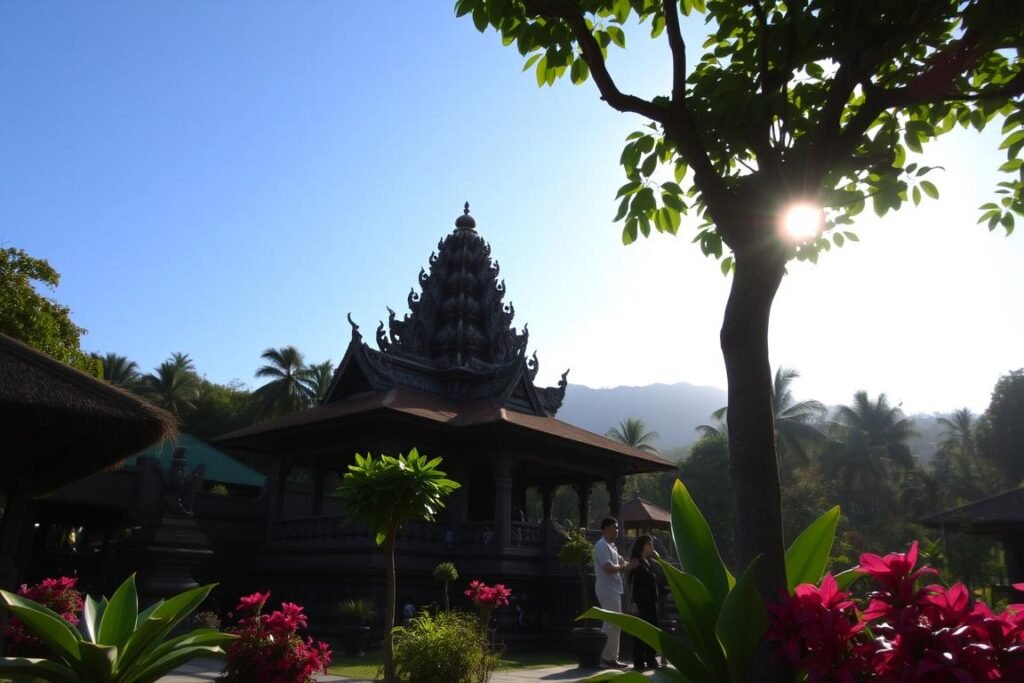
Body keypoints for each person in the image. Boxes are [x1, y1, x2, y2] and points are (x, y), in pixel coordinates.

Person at [593, 517, 636, 668]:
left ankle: (612, 658)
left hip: (614, 588)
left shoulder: (612, 546)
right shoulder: (601, 545)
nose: (616, 530)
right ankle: (604, 657)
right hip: (606, 587)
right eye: (613, 527)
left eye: (617, 528)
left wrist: (630, 564)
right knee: (611, 622)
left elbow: (621, 562)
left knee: (616, 623)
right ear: (604, 529)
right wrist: (625, 568)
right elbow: (608, 568)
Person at [628, 534, 661, 671]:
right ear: (642, 546)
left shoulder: (650, 562)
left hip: (651, 602)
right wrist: (632, 603)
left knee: (652, 630)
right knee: (640, 632)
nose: (651, 547)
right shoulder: (636, 563)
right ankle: (639, 661)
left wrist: (658, 558)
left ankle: (651, 658)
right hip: (640, 602)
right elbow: (631, 584)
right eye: (649, 544)